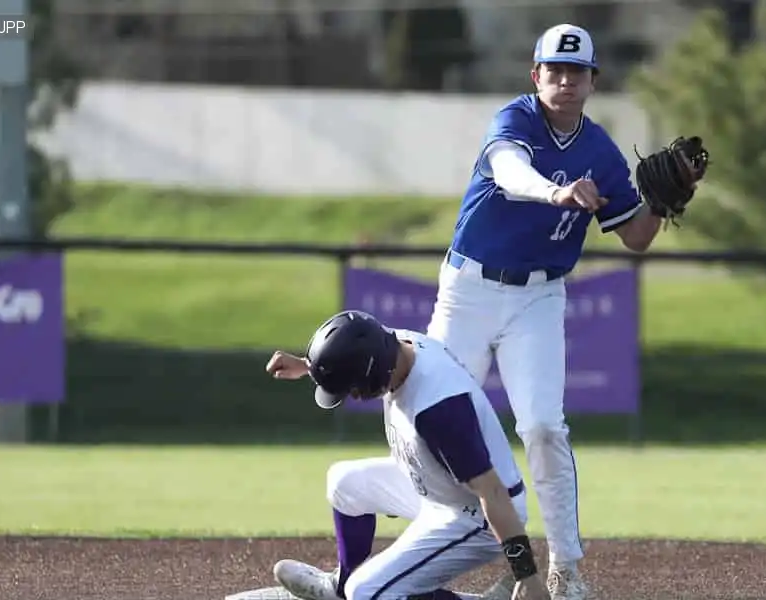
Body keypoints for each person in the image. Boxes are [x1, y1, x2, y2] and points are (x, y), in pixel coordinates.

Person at [427, 23, 697, 600]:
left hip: (538, 299)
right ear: (536, 75)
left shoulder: (599, 150)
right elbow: (508, 173)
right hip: (469, 291)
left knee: (544, 427)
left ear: (593, 81)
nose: (564, 79)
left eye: (576, 71)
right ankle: (415, 563)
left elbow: (636, 237)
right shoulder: (515, 120)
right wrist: (558, 192)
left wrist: (666, 197)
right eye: (554, 69)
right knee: (434, 425)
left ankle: (565, 569)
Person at [265, 309, 551, 600]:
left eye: (352, 388)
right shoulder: (392, 344)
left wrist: (527, 576)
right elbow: (357, 344)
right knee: (343, 481)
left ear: (372, 373)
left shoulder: (439, 409)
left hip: (477, 516)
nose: (354, 396)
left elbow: (491, 491)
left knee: (366, 593)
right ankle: (338, 591)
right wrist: (311, 367)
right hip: (438, 487)